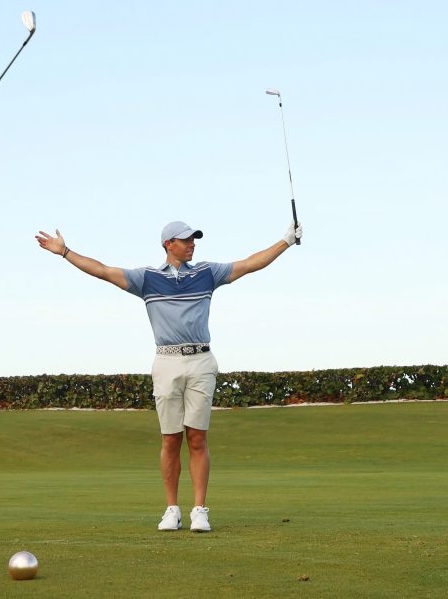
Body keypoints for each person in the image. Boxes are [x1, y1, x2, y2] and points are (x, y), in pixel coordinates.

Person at [35, 219, 301, 532]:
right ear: (168, 244)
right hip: (166, 362)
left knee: (197, 437)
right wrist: (65, 251)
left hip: (201, 360)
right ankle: (172, 509)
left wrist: (285, 240)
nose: (193, 244)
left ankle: (199, 510)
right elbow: (103, 271)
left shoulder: (206, 273)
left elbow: (249, 264)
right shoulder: (146, 279)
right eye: (186, 240)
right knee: (170, 439)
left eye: (194, 240)